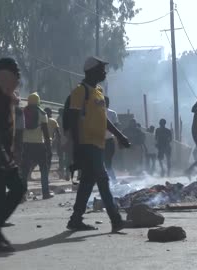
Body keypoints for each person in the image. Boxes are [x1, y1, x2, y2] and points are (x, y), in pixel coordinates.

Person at [66, 56, 130, 232]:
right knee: (103, 179)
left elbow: (105, 120)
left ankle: (75, 219)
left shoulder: (99, 91)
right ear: (91, 71)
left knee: (87, 182)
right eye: (101, 69)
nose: (104, 72)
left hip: (98, 143)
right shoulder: (80, 91)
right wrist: (76, 148)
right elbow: (73, 120)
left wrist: (120, 136)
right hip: (87, 144)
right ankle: (116, 219)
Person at [0, 57, 26, 252]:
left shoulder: (4, 97)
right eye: (15, 74)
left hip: (0, 156)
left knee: (2, 194)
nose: (18, 78)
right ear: (4, 76)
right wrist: (2, 155)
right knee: (14, 189)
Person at [20, 92, 53, 199]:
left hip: (25, 145)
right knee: (43, 169)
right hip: (39, 144)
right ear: (38, 102)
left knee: (24, 171)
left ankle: (22, 195)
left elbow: (19, 130)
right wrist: (49, 148)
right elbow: (46, 134)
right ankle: (45, 193)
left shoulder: (23, 112)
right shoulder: (43, 114)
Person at [104, 96, 119, 181]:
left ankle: (113, 180)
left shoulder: (112, 113)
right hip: (98, 141)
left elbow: (116, 126)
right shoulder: (96, 113)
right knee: (102, 163)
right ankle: (108, 180)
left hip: (109, 141)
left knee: (108, 162)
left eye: (106, 102)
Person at [44, 107, 61, 172]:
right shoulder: (53, 121)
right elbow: (58, 133)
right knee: (48, 158)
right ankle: (46, 173)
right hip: (48, 142)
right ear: (51, 113)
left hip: (40, 141)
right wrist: (58, 143)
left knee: (38, 158)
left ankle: (29, 174)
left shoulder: (41, 120)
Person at [14, 95, 25, 167]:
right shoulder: (20, 111)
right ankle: (18, 166)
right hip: (19, 132)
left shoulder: (8, 109)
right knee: (19, 150)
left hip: (11, 132)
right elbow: (22, 125)